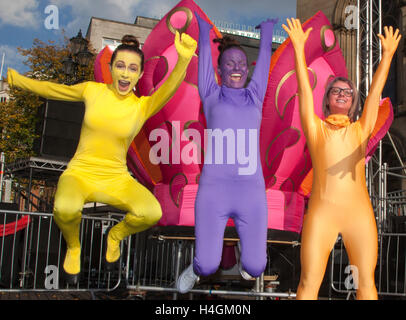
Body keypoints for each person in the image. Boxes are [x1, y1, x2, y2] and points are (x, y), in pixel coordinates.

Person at [7, 32, 197, 284]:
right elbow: (55, 89)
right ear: (110, 68)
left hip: (116, 178)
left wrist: (183, 59)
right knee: (64, 209)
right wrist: (19, 81)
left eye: (132, 69)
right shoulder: (92, 91)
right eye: (120, 66)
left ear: (140, 75)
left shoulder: (141, 106)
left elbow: (170, 87)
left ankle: (115, 237)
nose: (126, 74)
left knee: (151, 213)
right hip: (80, 173)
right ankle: (74, 247)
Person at [282, 18, 400, 299]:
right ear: (328, 99)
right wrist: (298, 49)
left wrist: (387, 57)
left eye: (348, 92)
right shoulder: (315, 128)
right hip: (321, 215)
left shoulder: (360, 129)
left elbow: (374, 94)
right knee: (308, 283)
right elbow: (302, 90)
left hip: (358, 215)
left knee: (366, 284)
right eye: (337, 90)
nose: (343, 94)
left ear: (353, 102)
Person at [176, 12, 277, 294]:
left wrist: (267, 31)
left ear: (247, 70)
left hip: (250, 192)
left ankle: (248, 255)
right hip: (214, 192)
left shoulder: (254, 96)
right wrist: (204, 30)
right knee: (208, 266)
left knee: (256, 268)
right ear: (220, 70)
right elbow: (204, 64)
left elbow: (265, 67)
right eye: (230, 63)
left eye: (242, 64)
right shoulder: (211, 94)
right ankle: (195, 269)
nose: (237, 67)